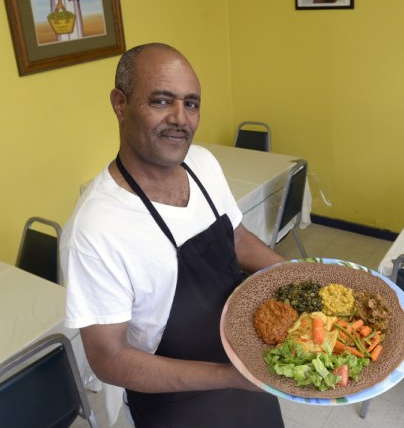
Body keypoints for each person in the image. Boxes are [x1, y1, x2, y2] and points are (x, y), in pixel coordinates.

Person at [62, 43, 286, 427]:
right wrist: (231, 377)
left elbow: (237, 239)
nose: (180, 119)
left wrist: (307, 277)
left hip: (250, 365)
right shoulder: (96, 229)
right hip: (177, 405)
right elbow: (109, 358)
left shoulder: (202, 163)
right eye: (162, 101)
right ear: (120, 104)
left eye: (192, 104)